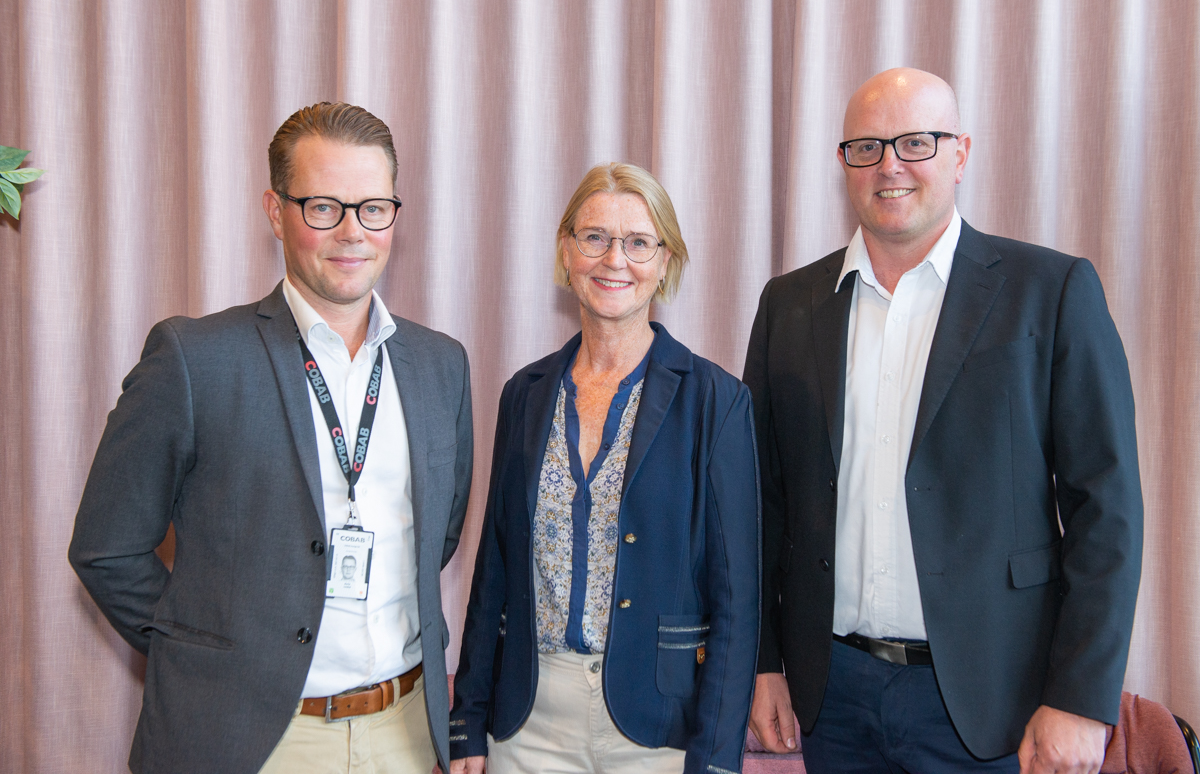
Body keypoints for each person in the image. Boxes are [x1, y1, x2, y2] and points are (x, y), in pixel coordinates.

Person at [744, 68, 1143, 774]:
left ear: (960, 153)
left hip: (995, 700)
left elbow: (1106, 509)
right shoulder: (789, 304)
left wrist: (1081, 698)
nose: (889, 164)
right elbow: (760, 504)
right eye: (867, 146)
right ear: (843, 163)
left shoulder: (1050, 292)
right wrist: (763, 660)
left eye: (916, 142)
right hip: (833, 694)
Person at [69, 102, 473, 774]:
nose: (352, 231)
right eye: (323, 207)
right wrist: (205, 654)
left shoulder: (441, 365)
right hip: (249, 740)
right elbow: (106, 549)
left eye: (373, 208)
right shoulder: (194, 359)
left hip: (403, 733)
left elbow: (440, 536)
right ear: (275, 211)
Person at [449, 163, 760, 774]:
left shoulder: (716, 401)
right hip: (528, 724)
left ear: (665, 261)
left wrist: (717, 760)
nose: (614, 259)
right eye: (594, 237)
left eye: (638, 242)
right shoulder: (524, 394)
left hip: (659, 731)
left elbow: (737, 600)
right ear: (567, 252)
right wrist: (468, 725)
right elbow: (494, 571)